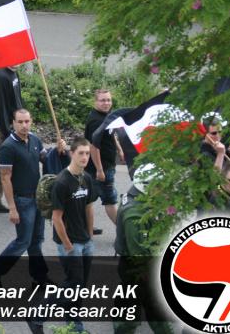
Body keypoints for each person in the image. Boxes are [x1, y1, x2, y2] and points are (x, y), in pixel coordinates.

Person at [0, 109, 54, 288]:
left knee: (36, 240)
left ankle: (39, 277)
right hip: (22, 201)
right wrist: (12, 207)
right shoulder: (8, 147)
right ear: (13, 123)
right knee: (23, 241)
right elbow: (5, 178)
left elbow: (46, 159)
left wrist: (59, 151)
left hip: (37, 199)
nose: (24, 125)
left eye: (27, 121)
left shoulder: (35, 140)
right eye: (20, 122)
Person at [113, 163, 173, 334]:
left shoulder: (140, 198)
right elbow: (138, 253)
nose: (162, 190)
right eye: (159, 186)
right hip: (137, 269)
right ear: (147, 186)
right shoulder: (135, 214)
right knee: (130, 314)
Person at [52, 137, 97, 289]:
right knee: (73, 284)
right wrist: (68, 245)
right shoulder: (62, 182)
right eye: (81, 153)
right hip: (71, 243)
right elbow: (56, 218)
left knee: (81, 285)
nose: (85, 157)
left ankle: (73, 313)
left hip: (85, 241)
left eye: (87, 154)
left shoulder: (87, 179)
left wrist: (90, 236)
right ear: (72, 154)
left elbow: (89, 209)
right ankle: (41, 309)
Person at [0, 65, 23, 212]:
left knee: (5, 161)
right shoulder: (1, 77)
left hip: (18, 123)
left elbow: (18, 99)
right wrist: (8, 131)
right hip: (8, 127)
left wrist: (24, 118)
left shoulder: (13, 73)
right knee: (5, 162)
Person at [83, 89, 119, 226]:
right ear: (95, 102)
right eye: (102, 100)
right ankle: (124, 232)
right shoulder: (96, 121)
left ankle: (86, 227)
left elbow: (111, 134)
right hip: (100, 167)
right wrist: (99, 170)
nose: (106, 103)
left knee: (88, 198)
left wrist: (120, 150)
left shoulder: (107, 116)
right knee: (109, 200)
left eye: (108, 100)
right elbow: (93, 147)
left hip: (107, 165)